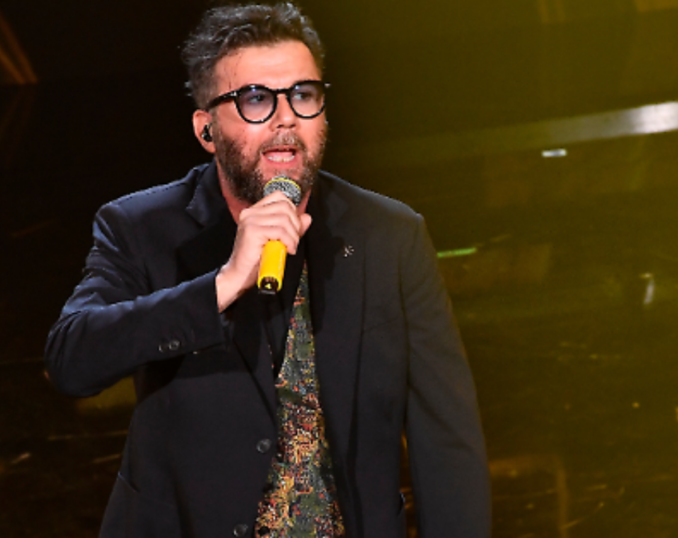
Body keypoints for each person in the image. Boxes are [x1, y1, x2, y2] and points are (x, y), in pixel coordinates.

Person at [44, 3, 490, 537]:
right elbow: (72, 360)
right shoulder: (141, 228)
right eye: (256, 99)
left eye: (303, 95)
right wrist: (223, 284)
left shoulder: (389, 235)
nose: (286, 119)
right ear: (206, 130)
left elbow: (446, 435)